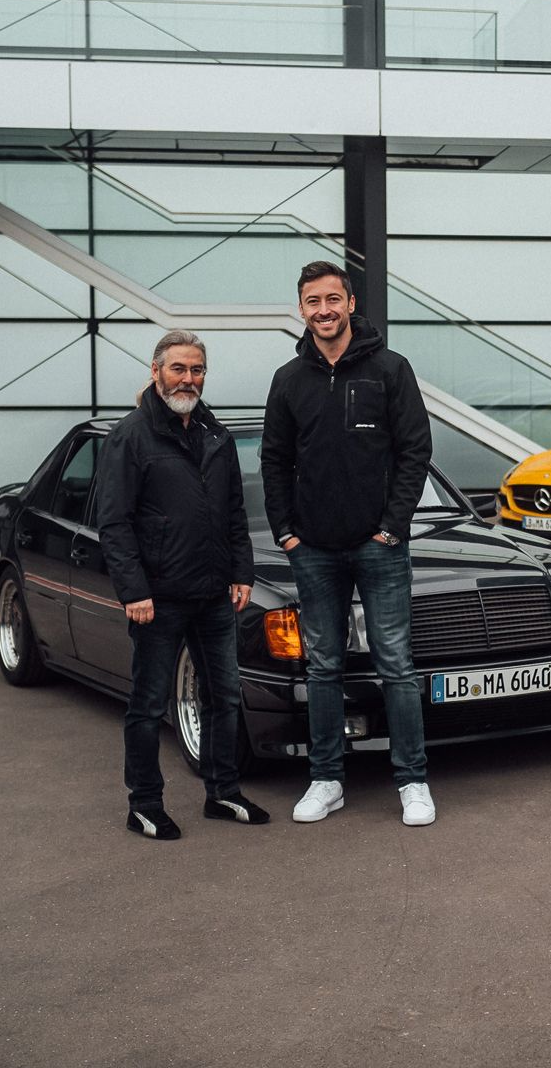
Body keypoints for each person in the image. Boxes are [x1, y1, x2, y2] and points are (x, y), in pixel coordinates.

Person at [261, 261, 436, 827]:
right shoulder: (289, 379)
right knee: (323, 666)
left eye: (332, 299)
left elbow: (415, 453)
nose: (324, 310)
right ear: (302, 310)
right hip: (312, 548)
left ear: (351, 303)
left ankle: (413, 781)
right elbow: (273, 460)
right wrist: (286, 530)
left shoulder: (390, 370)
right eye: (312, 302)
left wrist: (392, 525)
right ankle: (326, 779)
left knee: (396, 666)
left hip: (379, 546)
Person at [96, 330, 267, 840]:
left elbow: (234, 511)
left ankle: (223, 793)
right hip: (159, 598)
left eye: (196, 370)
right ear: (155, 372)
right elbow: (115, 522)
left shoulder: (215, 433)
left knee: (224, 695)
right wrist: (134, 591)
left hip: (214, 592)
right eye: (178, 369)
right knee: (148, 705)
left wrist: (242, 571)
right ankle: (144, 803)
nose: (188, 379)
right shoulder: (130, 436)